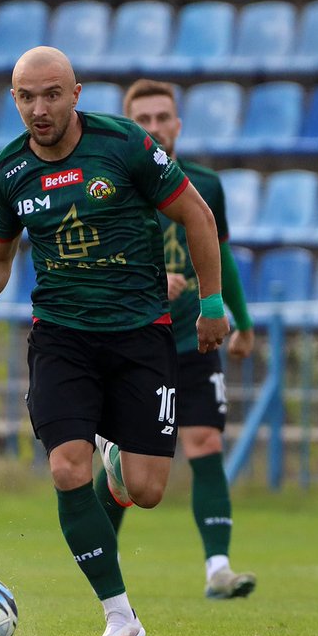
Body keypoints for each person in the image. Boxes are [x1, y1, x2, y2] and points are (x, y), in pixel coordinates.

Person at [0, 47, 230, 636]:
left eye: (51, 94)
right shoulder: (9, 169)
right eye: (26, 97)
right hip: (61, 337)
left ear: (76, 94)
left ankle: (118, 454)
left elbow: (197, 216)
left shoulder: (124, 145)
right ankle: (120, 618)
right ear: (13, 100)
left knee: (150, 490)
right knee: (65, 468)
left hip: (139, 335)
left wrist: (211, 304)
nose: (39, 109)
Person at [93, 79, 258, 601]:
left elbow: (222, 254)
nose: (155, 127)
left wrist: (242, 320)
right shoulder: (111, 181)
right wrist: (148, 279)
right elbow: (88, 257)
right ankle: (99, 558)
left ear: (178, 124)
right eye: (143, 119)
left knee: (205, 441)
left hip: (193, 341)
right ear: (129, 126)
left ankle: (218, 568)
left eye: (163, 117)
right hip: (130, 340)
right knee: (127, 465)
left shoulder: (205, 185)